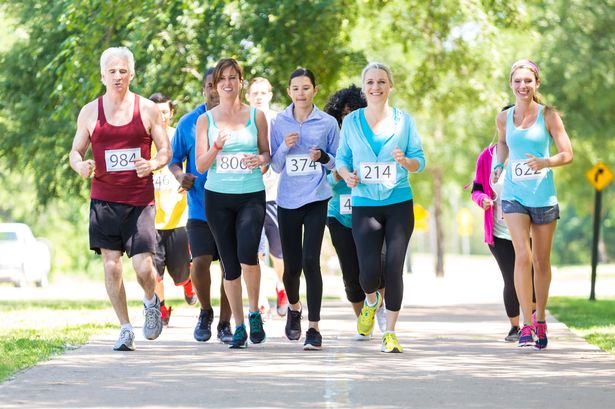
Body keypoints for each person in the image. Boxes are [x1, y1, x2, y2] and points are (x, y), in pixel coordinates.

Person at [68, 46, 170, 351]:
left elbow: (165, 151)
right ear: (102, 75)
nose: (117, 76)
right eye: (112, 71)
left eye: (123, 71)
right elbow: (75, 151)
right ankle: (125, 328)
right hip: (104, 200)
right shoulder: (89, 111)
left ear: (132, 74)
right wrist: (80, 165)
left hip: (139, 201)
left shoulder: (147, 110)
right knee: (112, 266)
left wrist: (152, 163)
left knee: (142, 268)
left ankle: (151, 301)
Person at [337, 62, 425, 353]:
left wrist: (405, 162)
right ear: (364, 88)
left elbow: (419, 160)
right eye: (371, 82)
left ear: (390, 86)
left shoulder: (404, 121)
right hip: (364, 203)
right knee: (369, 272)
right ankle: (371, 301)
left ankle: (391, 331)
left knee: (394, 267)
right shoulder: (351, 123)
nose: (376, 87)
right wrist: (347, 174)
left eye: (382, 82)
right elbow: (342, 158)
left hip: (398, 201)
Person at [492, 59, 573, 349]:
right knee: (522, 257)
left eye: (528, 81)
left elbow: (568, 153)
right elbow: (501, 144)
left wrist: (546, 162)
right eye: (517, 81)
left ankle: (540, 318)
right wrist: (498, 165)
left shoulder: (548, 115)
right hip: (514, 194)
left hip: (543, 197)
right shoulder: (504, 118)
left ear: (536, 84)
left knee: (541, 261)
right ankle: (526, 325)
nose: (522, 86)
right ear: (511, 84)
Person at [195, 58, 271, 349]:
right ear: (215, 85)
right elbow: (201, 166)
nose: (227, 83)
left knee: (248, 255)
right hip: (218, 198)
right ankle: (238, 325)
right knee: (229, 263)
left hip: (251, 194)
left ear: (241, 82)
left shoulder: (256, 116)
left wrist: (260, 160)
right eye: (222, 79)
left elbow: (267, 154)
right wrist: (216, 146)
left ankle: (254, 313)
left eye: (233, 78)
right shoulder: (206, 120)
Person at [270, 68, 339, 350]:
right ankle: (295, 308)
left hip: (316, 197)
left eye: (306, 88)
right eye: (296, 88)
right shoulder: (278, 121)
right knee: (291, 267)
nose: (301, 93)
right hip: (287, 199)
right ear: (289, 92)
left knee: (311, 261)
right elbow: (274, 165)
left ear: (315, 90)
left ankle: (314, 327)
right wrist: (285, 148)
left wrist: (322, 156)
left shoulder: (327, 123)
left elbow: (337, 162)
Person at [168, 68, 233, 344]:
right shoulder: (189, 123)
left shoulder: (238, 118)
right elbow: (174, 160)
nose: (214, 90)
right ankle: (205, 312)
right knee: (200, 262)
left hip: (232, 204)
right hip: (199, 206)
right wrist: (180, 175)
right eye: (209, 85)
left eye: (219, 84)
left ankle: (225, 323)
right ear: (204, 90)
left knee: (230, 267)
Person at [323, 85, 386, 337]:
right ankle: (363, 321)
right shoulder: (330, 139)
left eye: (354, 112)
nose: (348, 118)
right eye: (344, 113)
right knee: (351, 274)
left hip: (372, 208)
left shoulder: (376, 137)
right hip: (339, 214)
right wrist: (337, 174)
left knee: (378, 268)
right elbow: (322, 181)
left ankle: (381, 314)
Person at [149, 92, 192, 327]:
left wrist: (188, 182)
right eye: (156, 112)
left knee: (181, 272)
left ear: (171, 113)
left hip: (179, 218)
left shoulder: (179, 136)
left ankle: (188, 282)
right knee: (154, 272)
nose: (161, 117)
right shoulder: (143, 140)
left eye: (165, 112)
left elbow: (193, 164)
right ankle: (161, 308)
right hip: (151, 219)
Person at [246, 77, 288, 317]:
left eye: (263, 92)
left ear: (270, 95)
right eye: (254, 93)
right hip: (250, 195)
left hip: (276, 195)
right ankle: (260, 301)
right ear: (248, 96)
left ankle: (282, 287)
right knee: (255, 252)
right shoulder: (244, 121)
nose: (259, 96)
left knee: (278, 254)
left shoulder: (279, 120)